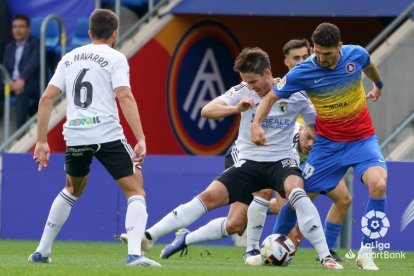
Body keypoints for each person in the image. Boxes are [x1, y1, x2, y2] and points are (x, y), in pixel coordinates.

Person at [138, 47, 343, 269]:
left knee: (297, 193)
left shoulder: (295, 94)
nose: (250, 86)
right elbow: (207, 110)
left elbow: (318, 126)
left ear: (267, 73)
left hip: (281, 161)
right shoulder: (243, 91)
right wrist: (235, 108)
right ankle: (149, 236)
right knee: (213, 201)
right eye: (246, 82)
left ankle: (325, 257)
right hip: (248, 161)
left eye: (253, 81)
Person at [28, 9, 160, 267]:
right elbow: (124, 95)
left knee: (71, 189)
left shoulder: (68, 58)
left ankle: (42, 251)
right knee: (136, 190)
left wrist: (41, 141)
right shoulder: (116, 57)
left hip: (75, 134)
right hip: (106, 134)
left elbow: (46, 99)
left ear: (89, 33)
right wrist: (141, 137)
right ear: (115, 33)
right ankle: (135, 254)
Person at [251, 22, 387, 271]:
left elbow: (368, 64)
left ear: (340, 46)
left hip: (362, 140)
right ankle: (271, 247)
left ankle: (366, 253)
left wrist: (378, 85)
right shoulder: (303, 72)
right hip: (327, 146)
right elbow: (271, 97)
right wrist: (256, 124)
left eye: (328, 53)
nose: (322, 59)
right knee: (296, 197)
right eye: (318, 53)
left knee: (378, 185)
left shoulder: (355, 54)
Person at [246, 39, 351, 263]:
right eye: (296, 58)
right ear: (285, 61)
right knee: (297, 203)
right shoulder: (285, 85)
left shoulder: (319, 78)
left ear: (312, 54)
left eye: (305, 56)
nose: (301, 61)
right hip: (289, 154)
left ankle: (326, 248)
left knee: (343, 198)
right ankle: (277, 246)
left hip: (316, 150)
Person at [2, 14, 40, 129]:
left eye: (21, 27)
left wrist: (21, 79)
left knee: (20, 91)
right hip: (12, 82)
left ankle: (20, 134)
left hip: (30, 83)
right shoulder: (10, 46)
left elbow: (33, 64)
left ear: (28, 29)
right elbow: (4, 69)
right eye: (14, 27)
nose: (17, 30)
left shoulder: (36, 44)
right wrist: (8, 81)